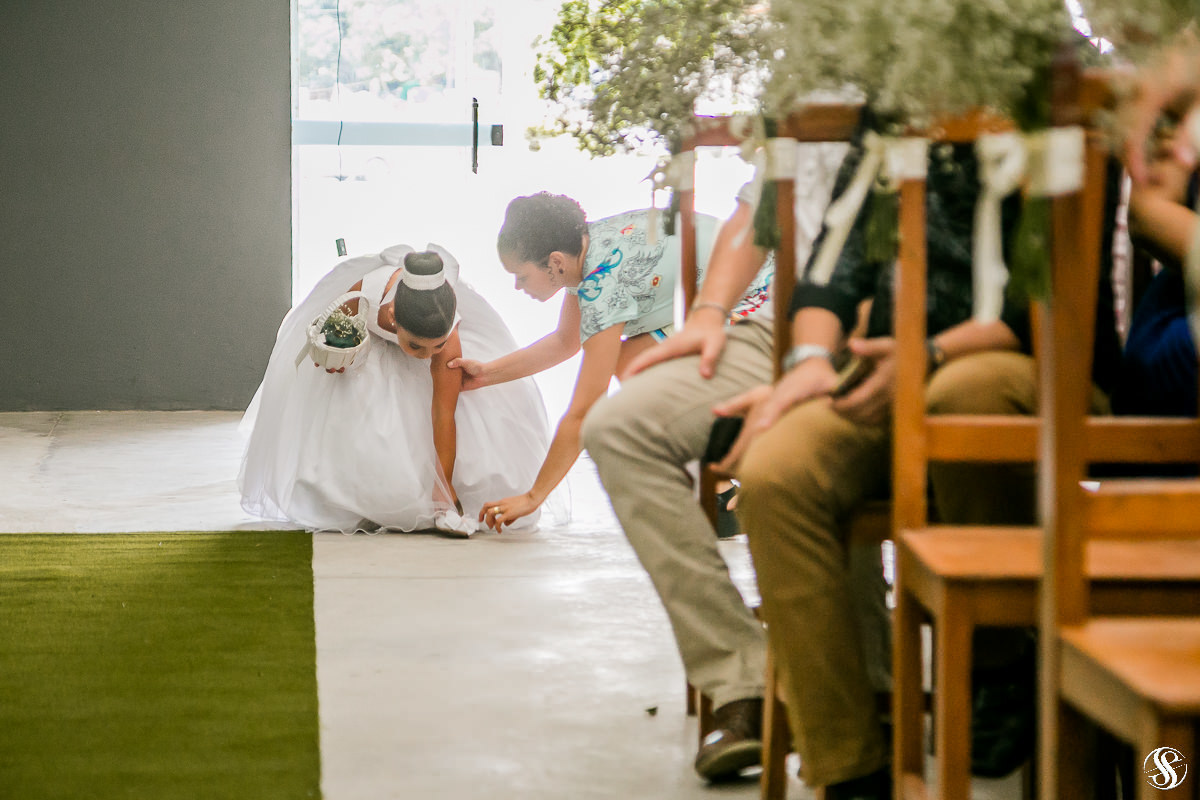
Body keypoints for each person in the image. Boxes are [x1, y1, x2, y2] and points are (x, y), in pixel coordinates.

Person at [577, 140, 859, 782]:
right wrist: (708, 313)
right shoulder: (812, 84)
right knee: (618, 427)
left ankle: (876, 694)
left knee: (791, 460)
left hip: (910, 324)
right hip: (783, 321)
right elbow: (754, 212)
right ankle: (740, 681)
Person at [449, 193, 771, 534]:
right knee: (633, 362)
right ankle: (720, 482)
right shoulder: (584, 250)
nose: (517, 286)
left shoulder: (602, 283)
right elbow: (565, 342)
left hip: (764, 291)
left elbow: (585, 409)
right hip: (745, 277)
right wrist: (486, 374)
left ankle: (736, 474)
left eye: (522, 276)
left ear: (554, 262)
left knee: (635, 365)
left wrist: (533, 497)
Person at [239, 244, 552, 536]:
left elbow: (443, 413)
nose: (427, 355)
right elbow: (333, 336)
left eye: (436, 346)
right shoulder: (363, 297)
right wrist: (337, 356)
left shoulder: (448, 339)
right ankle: (356, 496)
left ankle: (440, 500)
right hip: (372, 347)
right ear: (391, 319)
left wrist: (443, 489)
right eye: (416, 346)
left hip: (430, 336)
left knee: (464, 410)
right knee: (356, 410)